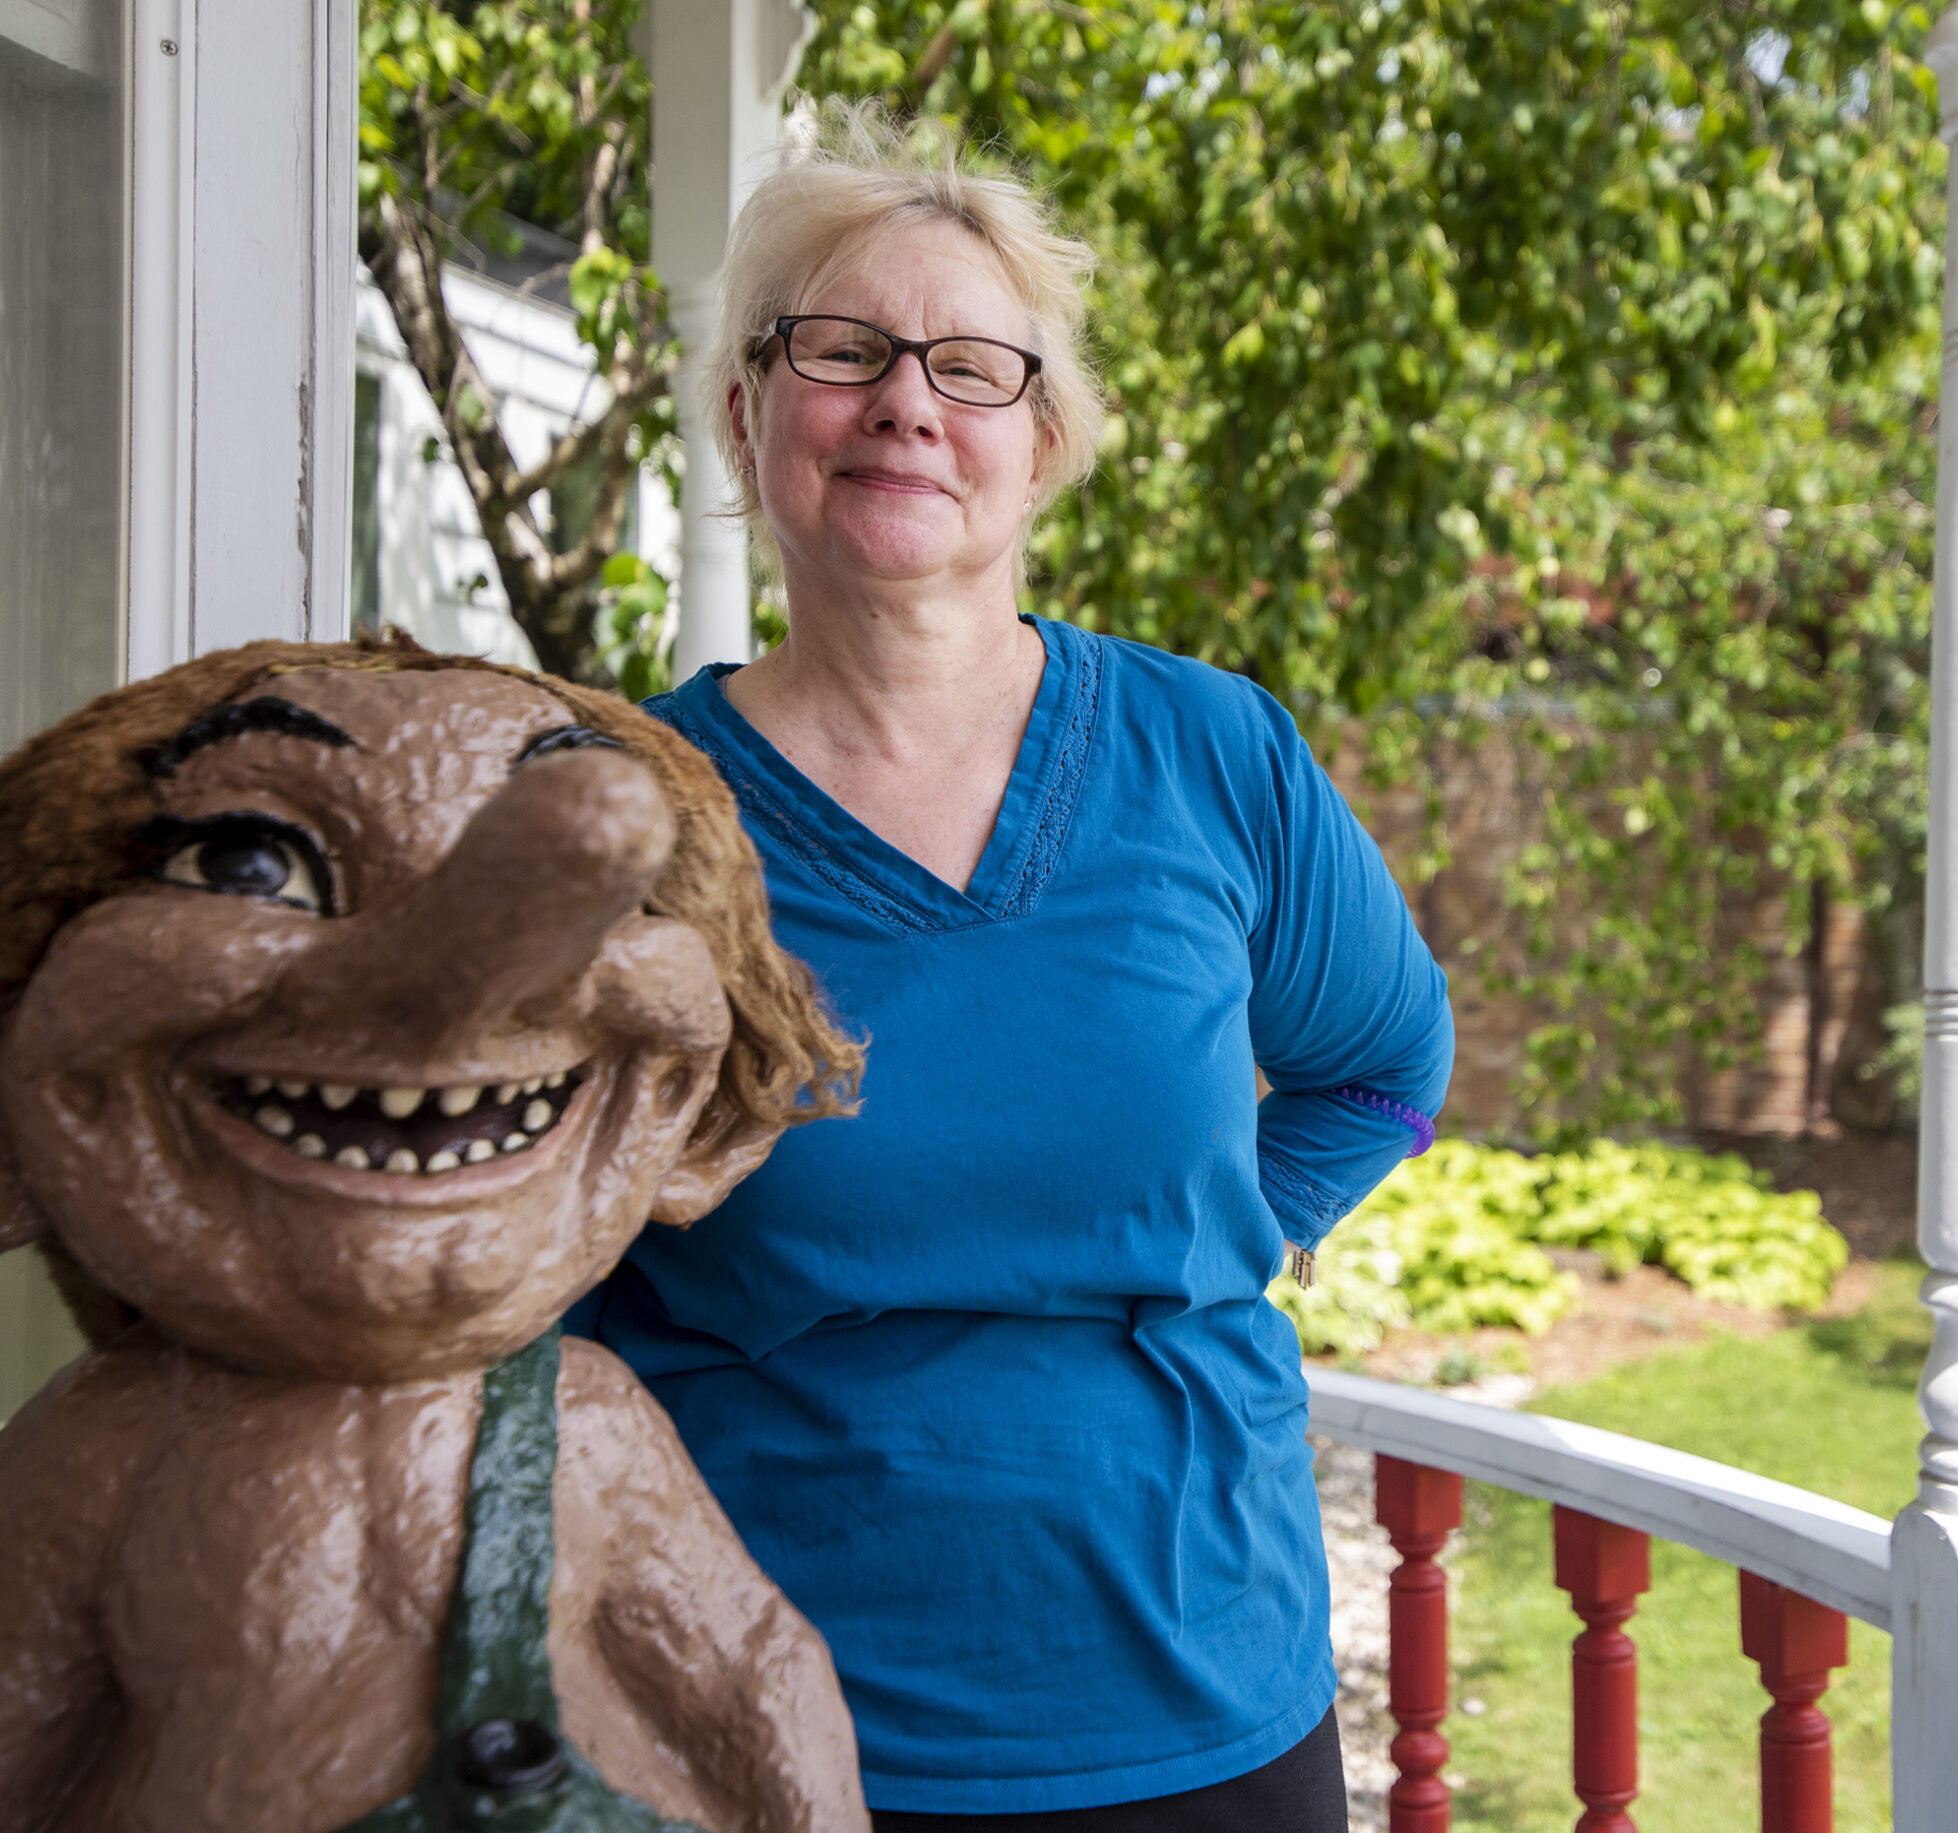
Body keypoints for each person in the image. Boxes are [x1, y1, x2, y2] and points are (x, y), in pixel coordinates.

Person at [565, 104, 1452, 1832]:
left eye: (974, 365)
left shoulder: (1217, 757)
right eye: (844, 350)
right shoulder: (623, 817)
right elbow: (541, 1245)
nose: (907, 399)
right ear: (749, 416)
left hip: (1205, 1701)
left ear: (1043, 445)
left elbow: (1383, 1068)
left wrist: (1231, 1233)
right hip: (762, 1715)